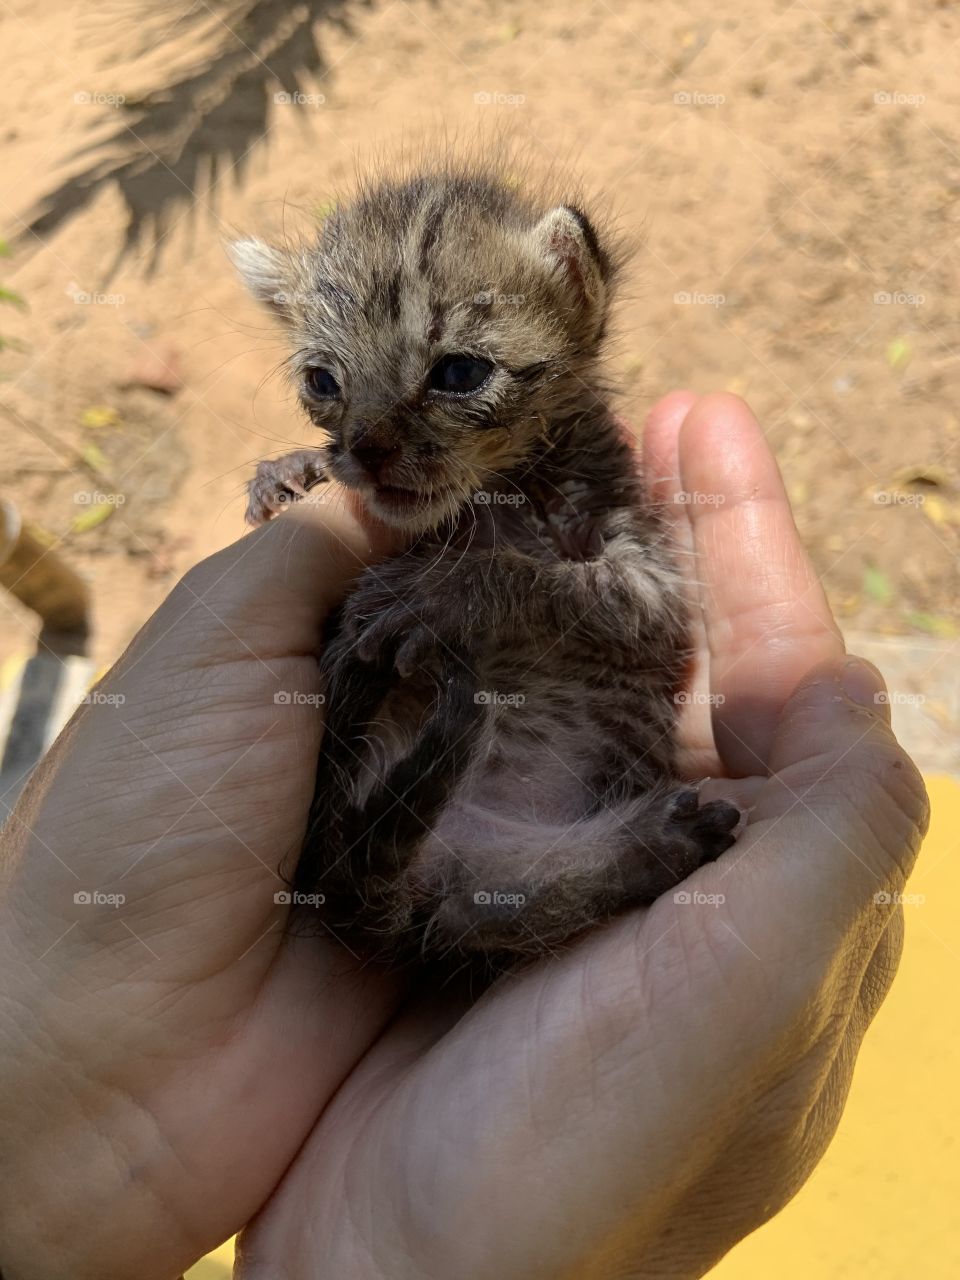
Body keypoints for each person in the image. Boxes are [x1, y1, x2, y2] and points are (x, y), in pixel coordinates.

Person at [0, 393, 928, 1280]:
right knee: (435, 881)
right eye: (333, 385)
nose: (376, 431)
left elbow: (636, 607)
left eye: (453, 379)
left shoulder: (587, 488)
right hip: (431, 841)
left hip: (547, 796)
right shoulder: (392, 476)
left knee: (471, 881)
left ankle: (617, 854)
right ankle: (617, 854)